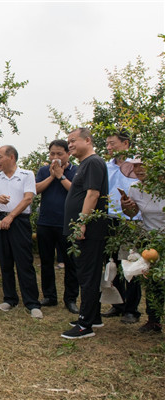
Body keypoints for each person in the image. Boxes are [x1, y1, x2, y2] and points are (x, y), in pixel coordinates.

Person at [61, 128, 109, 339]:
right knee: (85, 273)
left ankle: (85, 325)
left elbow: (93, 194)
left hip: (89, 230)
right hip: (82, 230)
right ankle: (94, 316)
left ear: (88, 140)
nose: (70, 145)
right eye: (68, 142)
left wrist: (82, 222)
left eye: (73, 141)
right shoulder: (85, 164)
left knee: (88, 275)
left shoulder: (93, 162)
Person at [0, 145, 43, 319]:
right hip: (0, 219)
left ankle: (32, 302)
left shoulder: (26, 175)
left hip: (18, 220)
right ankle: (10, 298)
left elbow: (28, 199)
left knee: (24, 261)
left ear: (11, 157)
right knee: (5, 260)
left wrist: (11, 217)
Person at [101, 130, 142, 324]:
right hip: (109, 219)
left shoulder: (137, 167)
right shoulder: (106, 167)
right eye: (107, 144)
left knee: (130, 264)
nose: (109, 147)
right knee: (112, 263)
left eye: (112, 143)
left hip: (130, 221)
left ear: (126, 144)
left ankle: (131, 309)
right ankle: (117, 304)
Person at [35, 139, 79, 314]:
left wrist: (61, 176)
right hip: (45, 222)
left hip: (67, 224)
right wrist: (52, 176)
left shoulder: (76, 171)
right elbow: (36, 189)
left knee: (71, 263)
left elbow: (76, 191)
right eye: (52, 153)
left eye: (59, 153)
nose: (55, 157)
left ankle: (71, 299)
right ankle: (49, 296)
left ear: (68, 154)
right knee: (46, 261)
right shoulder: (44, 170)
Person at [120, 159, 165, 333]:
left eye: (142, 164)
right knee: (153, 281)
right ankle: (154, 321)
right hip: (151, 240)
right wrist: (127, 207)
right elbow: (132, 214)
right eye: (135, 166)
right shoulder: (135, 188)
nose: (138, 169)